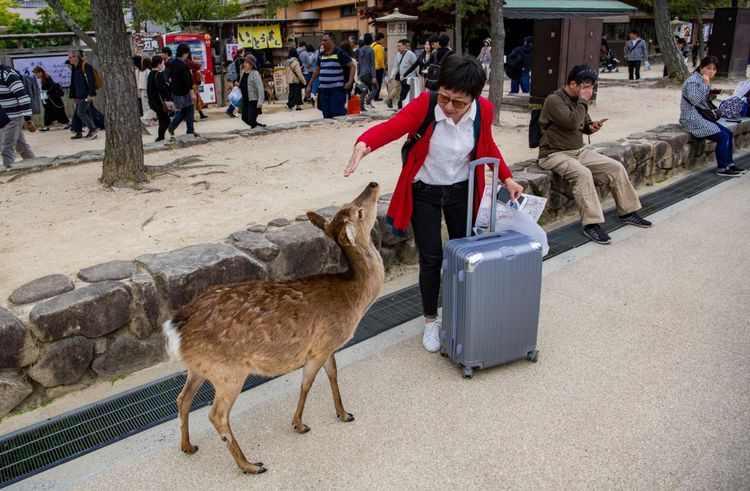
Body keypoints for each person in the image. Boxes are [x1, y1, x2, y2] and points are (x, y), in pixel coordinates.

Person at [343, 55, 523, 353]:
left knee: (464, 253)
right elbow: (394, 126)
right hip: (425, 191)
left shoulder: (484, 111)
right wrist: (365, 143)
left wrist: (507, 178)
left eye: (459, 102)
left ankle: (460, 310)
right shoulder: (426, 105)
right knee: (431, 258)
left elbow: (488, 144)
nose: (449, 107)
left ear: (474, 98)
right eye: (445, 97)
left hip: (462, 191)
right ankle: (430, 320)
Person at [538, 65, 652, 245]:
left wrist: (591, 127)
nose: (589, 91)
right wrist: (584, 101)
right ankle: (591, 224)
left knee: (616, 167)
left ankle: (627, 212)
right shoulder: (554, 100)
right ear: (573, 84)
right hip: (554, 154)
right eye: (586, 87)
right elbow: (571, 121)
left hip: (578, 151)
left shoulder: (578, 99)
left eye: (591, 87)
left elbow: (582, 124)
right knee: (583, 174)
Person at [679, 56, 743, 177]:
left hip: (701, 117)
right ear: (701, 67)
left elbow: (702, 100)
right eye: (708, 68)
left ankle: (729, 164)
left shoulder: (700, 80)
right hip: (692, 119)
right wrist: (706, 84)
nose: (711, 72)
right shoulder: (693, 81)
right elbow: (695, 99)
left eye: (714, 69)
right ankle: (722, 168)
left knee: (728, 134)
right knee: (723, 137)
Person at [306, 32, 355, 119]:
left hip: (337, 90)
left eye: (325, 40)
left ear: (332, 40)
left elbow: (352, 66)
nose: (323, 42)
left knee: (337, 114)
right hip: (323, 91)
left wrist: (350, 82)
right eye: (322, 40)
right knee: (326, 115)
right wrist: (309, 85)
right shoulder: (321, 55)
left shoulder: (340, 53)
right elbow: (317, 71)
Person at [0, 63, 36, 169]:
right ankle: (35, 164)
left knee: (6, 147)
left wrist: (28, 119)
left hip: (13, 117)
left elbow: (23, 96)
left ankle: (8, 171)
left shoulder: (8, 74)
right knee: (21, 146)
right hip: (4, 117)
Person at [167, 43, 198, 138]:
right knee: (188, 110)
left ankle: (183, 128)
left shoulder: (172, 63)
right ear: (185, 53)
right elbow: (187, 79)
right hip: (184, 91)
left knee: (184, 110)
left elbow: (168, 77)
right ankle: (188, 130)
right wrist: (191, 91)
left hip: (175, 91)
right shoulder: (183, 64)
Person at [67, 50, 99, 140]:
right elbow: (73, 83)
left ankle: (93, 129)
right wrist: (73, 95)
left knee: (80, 112)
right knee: (86, 112)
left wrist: (91, 94)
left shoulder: (85, 66)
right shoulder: (74, 67)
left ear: (76, 57)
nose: (69, 59)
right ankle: (88, 132)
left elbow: (91, 81)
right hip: (79, 95)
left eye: (70, 57)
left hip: (86, 94)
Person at [32, 66, 69, 131]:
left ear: (40, 72)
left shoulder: (47, 78)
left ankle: (66, 123)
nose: (36, 75)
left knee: (58, 111)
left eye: (36, 73)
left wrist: (47, 91)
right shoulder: (42, 79)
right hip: (48, 99)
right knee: (48, 112)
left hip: (53, 99)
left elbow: (53, 86)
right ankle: (47, 126)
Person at [147, 55, 172, 142]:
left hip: (152, 101)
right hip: (159, 101)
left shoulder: (150, 74)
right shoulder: (159, 74)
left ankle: (161, 136)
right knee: (165, 119)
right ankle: (160, 137)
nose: (163, 64)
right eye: (162, 63)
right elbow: (162, 88)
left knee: (163, 119)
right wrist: (167, 86)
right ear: (158, 64)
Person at [390, 39, 418, 109]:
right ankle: (403, 107)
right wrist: (392, 76)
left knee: (404, 95)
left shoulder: (411, 54)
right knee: (404, 94)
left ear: (405, 46)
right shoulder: (398, 55)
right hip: (402, 78)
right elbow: (395, 67)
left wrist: (418, 76)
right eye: (397, 46)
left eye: (399, 46)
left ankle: (401, 107)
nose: (398, 48)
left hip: (410, 78)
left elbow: (416, 66)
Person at [239, 54, 265, 129]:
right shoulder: (243, 72)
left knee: (251, 119)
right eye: (244, 62)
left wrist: (260, 102)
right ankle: (258, 126)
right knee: (244, 118)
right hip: (245, 99)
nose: (245, 64)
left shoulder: (255, 74)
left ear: (251, 65)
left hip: (253, 100)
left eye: (247, 63)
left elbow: (260, 88)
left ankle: (256, 129)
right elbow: (242, 83)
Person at [356, 33, 377, 111]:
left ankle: (361, 107)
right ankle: (368, 102)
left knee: (363, 90)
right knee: (375, 87)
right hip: (369, 73)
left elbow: (359, 62)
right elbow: (372, 64)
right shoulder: (371, 50)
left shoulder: (360, 50)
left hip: (362, 73)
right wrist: (374, 76)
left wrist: (358, 73)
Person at [186, 52, 208, 120]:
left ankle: (200, 114)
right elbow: (198, 66)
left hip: (192, 83)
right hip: (193, 84)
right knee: (195, 100)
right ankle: (192, 117)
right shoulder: (189, 62)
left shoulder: (186, 62)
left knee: (197, 99)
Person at [225, 47, 245, 118]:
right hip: (238, 80)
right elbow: (239, 71)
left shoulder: (234, 59)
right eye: (244, 52)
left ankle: (230, 110)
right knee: (240, 96)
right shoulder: (240, 60)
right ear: (242, 52)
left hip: (235, 80)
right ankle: (234, 111)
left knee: (238, 96)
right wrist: (238, 80)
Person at [285, 47, 305, 111]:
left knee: (292, 93)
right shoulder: (295, 61)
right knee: (296, 95)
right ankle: (289, 105)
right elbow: (299, 73)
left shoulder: (287, 62)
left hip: (290, 80)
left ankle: (296, 106)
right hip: (296, 80)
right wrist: (303, 81)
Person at [138, 57, 156, 125]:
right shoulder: (148, 72)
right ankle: (145, 118)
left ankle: (148, 120)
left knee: (145, 107)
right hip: (147, 91)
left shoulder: (141, 72)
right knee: (150, 107)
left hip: (142, 91)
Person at [371, 32, 386, 101]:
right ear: (381, 38)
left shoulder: (372, 45)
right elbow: (380, 58)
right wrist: (383, 67)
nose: (383, 41)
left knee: (373, 83)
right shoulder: (379, 46)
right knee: (379, 83)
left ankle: (373, 96)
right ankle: (376, 97)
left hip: (372, 67)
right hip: (378, 67)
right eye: (383, 39)